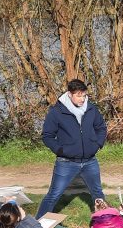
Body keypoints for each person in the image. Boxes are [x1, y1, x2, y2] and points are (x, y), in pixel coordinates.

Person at [37, 79, 108, 218]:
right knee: (53, 195)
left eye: (84, 95)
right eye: (78, 95)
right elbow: (47, 136)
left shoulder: (91, 109)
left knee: (98, 193)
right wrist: (60, 150)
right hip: (66, 162)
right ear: (70, 94)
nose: (82, 99)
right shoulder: (56, 112)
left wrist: (97, 144)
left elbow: (101, 128)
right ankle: (38, 225)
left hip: (90, 161)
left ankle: (106, 223)